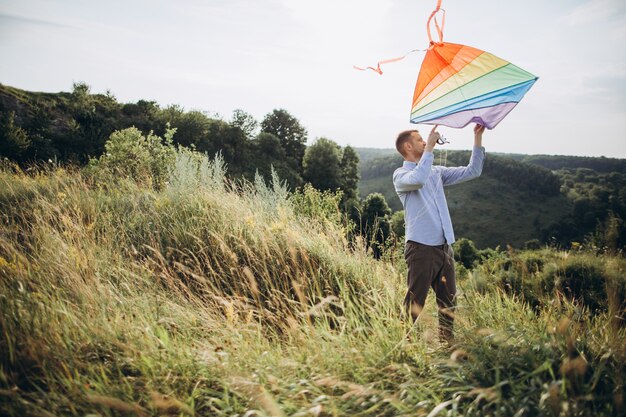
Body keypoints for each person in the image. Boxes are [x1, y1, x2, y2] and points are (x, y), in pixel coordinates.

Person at [392, 124, 485, 344]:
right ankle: (401, 347)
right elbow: (418, 179)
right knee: (414, 303)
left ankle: (447, 349)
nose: (425, 142)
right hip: (421, 249)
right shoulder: (401, 175)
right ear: (407, 146)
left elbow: (473, 171)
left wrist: (477, 139)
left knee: (449, 305)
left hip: (445, 248)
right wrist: (431, 150)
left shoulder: (435, 171)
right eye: (420, 140)